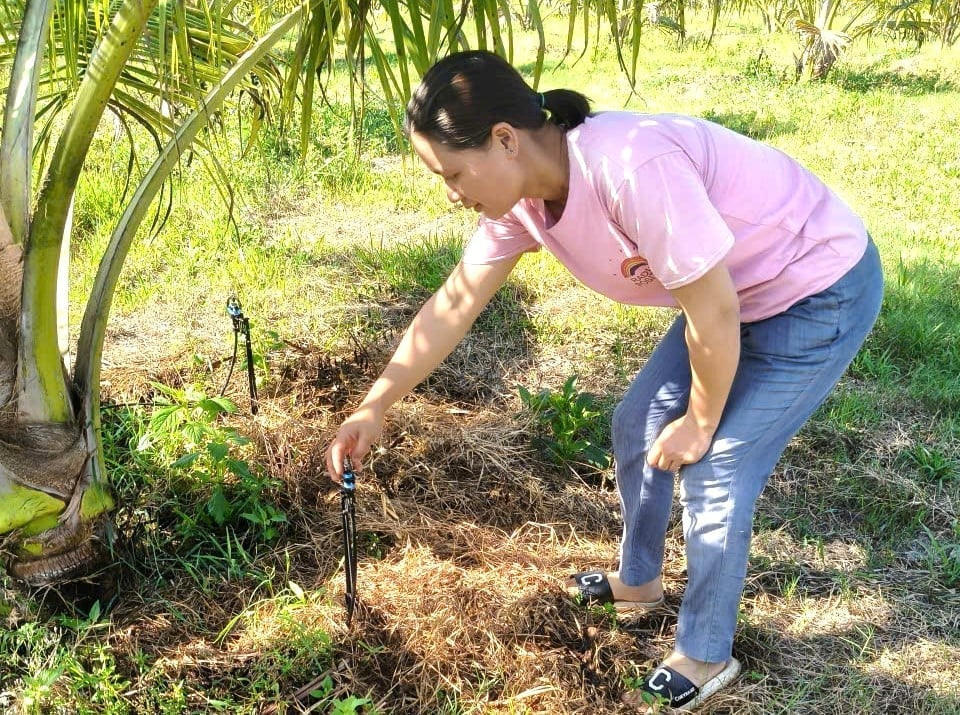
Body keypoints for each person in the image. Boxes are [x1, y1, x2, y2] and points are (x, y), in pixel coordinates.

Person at [325, 49, 884, 711]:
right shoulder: (521, 200)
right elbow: (455, 301)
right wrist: (376, 403)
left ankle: (706, 649)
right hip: (732, 292)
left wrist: (701, 421)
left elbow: (715, 311)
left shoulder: (628, 168)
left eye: (452, 172)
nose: (451, 193)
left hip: (817, 287)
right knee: (639, 422)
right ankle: (639, 583)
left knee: (716, 469)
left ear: (504, 139)